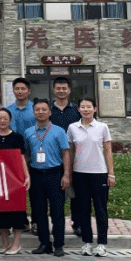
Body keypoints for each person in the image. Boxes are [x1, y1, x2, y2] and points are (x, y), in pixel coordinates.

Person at [68, 97, 115, 257]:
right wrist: (69, 173)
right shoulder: (73, 128)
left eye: (89, 107)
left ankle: (102, 244)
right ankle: (86, 243)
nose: (86, 109)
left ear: (95, 109)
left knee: (101, 210)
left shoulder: (102, 127)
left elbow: (108, 151)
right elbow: (71, 152)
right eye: (82, 107)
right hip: (79, 173)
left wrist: (111, 173)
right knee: (83, 210)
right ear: (78, 109)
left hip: (99, 174)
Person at [23, 99, 71, 257]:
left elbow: (66, 153)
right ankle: (44, 243)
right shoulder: (28, 132)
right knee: (39, 211)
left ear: (50, 112)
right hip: (36, 174)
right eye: (37, 110)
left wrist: (66, 175)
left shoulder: (59, 131)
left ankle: (59, 245)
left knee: (57, 211)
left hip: (55, 174)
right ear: (33, 113)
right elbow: (26, 155)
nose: (41, 112)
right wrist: (27, 175)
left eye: (44, 109)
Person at [0, 107, 30, 255]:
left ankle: (16, 243)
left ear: (10, 120)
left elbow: (21, 157)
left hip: (14, 179)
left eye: (5, 118)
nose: (2, 121)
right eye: (0, 118)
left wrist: (27, 176)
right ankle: (4, 242)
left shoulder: (17, 137)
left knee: (16, 211)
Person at [49, 76, 82, 237]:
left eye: (64, 88)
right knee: (56, 195)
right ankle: (57, 225)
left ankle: (78, 223)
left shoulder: (77, 110)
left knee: (77, 192)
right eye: (58, 88)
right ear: (53, 90)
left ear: (69, 90)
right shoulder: (48, 110)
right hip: (53, 157)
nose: (61, 91)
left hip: (76, 157)